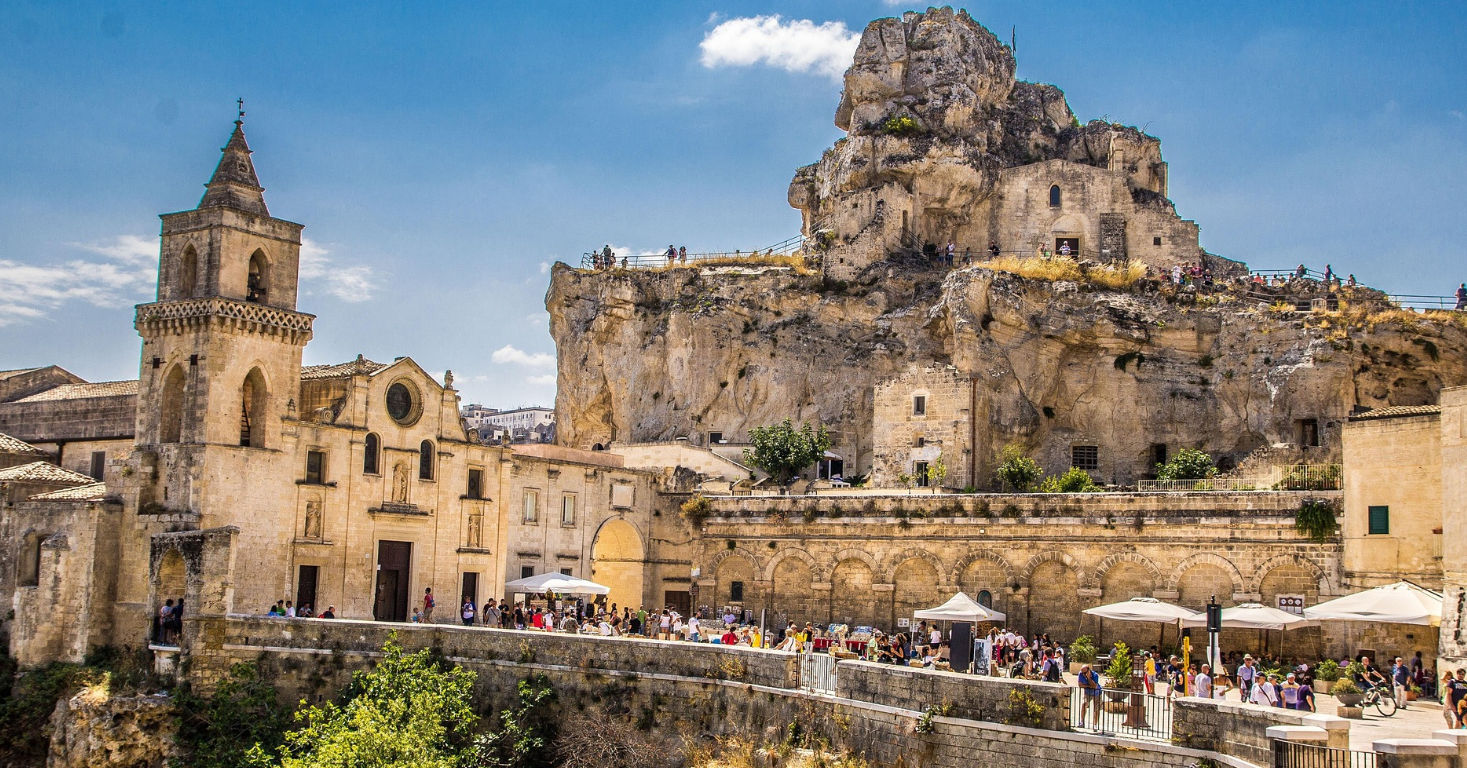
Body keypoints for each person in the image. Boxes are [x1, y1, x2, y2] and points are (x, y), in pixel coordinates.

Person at [1077, 663, 1102, 727]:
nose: (1083, 674)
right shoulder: (1081, 674)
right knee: (1084, 704)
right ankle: (1082, 722)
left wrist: (1089, 678)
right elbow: (1080, 685)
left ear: (1088, 670)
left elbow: (1094, 686)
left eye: (1085, 673)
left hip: (1096, 693)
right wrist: (1089, 686)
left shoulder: (1095, 675)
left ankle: (1095, 724)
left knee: (1096, 708)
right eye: (1082, 672)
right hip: (1087, 692)